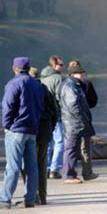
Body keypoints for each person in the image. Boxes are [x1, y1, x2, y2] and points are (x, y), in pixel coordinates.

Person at [1, 57, 44, 209]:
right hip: (32, 129)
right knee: (32, 167)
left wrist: (7, 125)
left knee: (12, 166)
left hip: (16, 129)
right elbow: (40, 107)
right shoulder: (36, 84)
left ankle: (5, 199)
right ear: (28, 68)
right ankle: (30, 199)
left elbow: (7, 107)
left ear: (14, 68)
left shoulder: (14, 83)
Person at [60, 63, 95, 184]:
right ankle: (68, 175)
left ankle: (71, 174)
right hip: (73, 123)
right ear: (74, 74)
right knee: (71, 149)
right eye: (81, 73)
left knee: (73, 148)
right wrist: (82, 118)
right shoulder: (70, 86)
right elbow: (73, 105)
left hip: (74, 122)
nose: (83, 75)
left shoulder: (75, 84)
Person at [30, 67, 57, 205]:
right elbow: (54, 111)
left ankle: (32, 195)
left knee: (29, 164)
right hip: (45, 130)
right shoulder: (45, 89)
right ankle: (43, 196)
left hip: (31, 130)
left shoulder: (28, 89)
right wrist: (50, 128)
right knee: (42, 164)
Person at [68, 59, 98, 181]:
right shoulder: (86, 83)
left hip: (69, 119)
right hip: (84, 117)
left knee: (71, 147)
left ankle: (70, 172)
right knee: (85, 147)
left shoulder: (65, 84)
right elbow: (93, 101)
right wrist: (85, 108)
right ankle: (87, 172)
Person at [40, 55, 64, 180]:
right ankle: (55, 169)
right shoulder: (58, 78)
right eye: (60, 65)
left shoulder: (42, 78)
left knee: (47, 142)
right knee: (59, 142)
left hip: (44, 115)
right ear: (54, 65)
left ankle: (46, 167)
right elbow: (61, 98)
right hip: (56, 115)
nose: (62, 67)